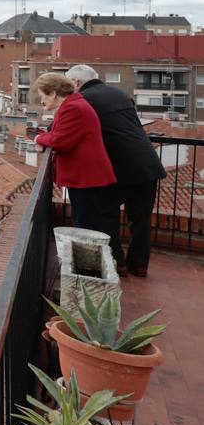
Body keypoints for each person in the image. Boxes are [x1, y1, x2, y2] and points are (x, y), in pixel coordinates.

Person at [67, 64, 167, 276]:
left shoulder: (83, 100)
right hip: (148, 163)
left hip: (120, 165)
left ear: (76, 82)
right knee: (140, 219)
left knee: (106, 213)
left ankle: (117, 263)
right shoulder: (120, 94)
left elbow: (66, 128)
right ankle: (139, 266)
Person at [33, 72, 115, 230]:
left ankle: (86, 254)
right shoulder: (73, 105)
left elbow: (60, 141)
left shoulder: (73, 108)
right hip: (86, 175)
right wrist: (45, 138)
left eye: (42, 95)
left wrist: (38, 139)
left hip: (87, 176)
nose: (42, 100)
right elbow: (58, 135)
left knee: (86, 223)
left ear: (53, 93)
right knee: (84, 219)